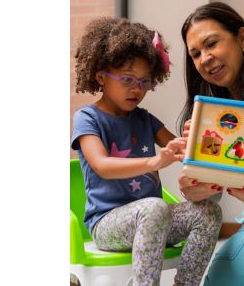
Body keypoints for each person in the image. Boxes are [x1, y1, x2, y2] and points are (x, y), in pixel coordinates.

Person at [71, 17, 222, 286]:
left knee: (208, 212)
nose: (136, 89)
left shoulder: (144, 118)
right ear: (100, 76)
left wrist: (197, 137)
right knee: (154, 208)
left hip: (155, 217)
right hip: (108, 224)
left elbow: (181, 149)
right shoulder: (87, 118)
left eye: (144, 81)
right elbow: (101, 165)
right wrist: (154, 161)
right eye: (127, 79)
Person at [177, 2, 244, 286]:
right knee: (222, 280)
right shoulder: (211, 113)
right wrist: (196, 189)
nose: (205, 58)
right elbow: (217, 187)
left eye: (212, 44)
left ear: (242, 38)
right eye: (195, 54)